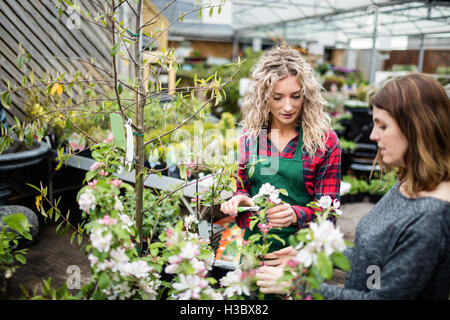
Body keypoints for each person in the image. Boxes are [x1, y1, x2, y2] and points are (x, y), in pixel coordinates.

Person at [256, 73, 450, 299]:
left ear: (417, 128)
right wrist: (315, 253)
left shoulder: (430, 218)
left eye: (383, 126)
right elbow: (375, 264)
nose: (373, 135)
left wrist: (298, 286)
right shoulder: (408, 186)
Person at [220, 46, 341, 259]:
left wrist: (295, 215)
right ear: (264, 97)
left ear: (306, 95)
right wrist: (240, 201)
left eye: (295, 96)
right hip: (255, 250)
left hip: (300, 254)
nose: (288, 107)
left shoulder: (324, 142)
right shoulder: (250, 137)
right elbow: (243, 189)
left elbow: (329, 214)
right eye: (277, 97)